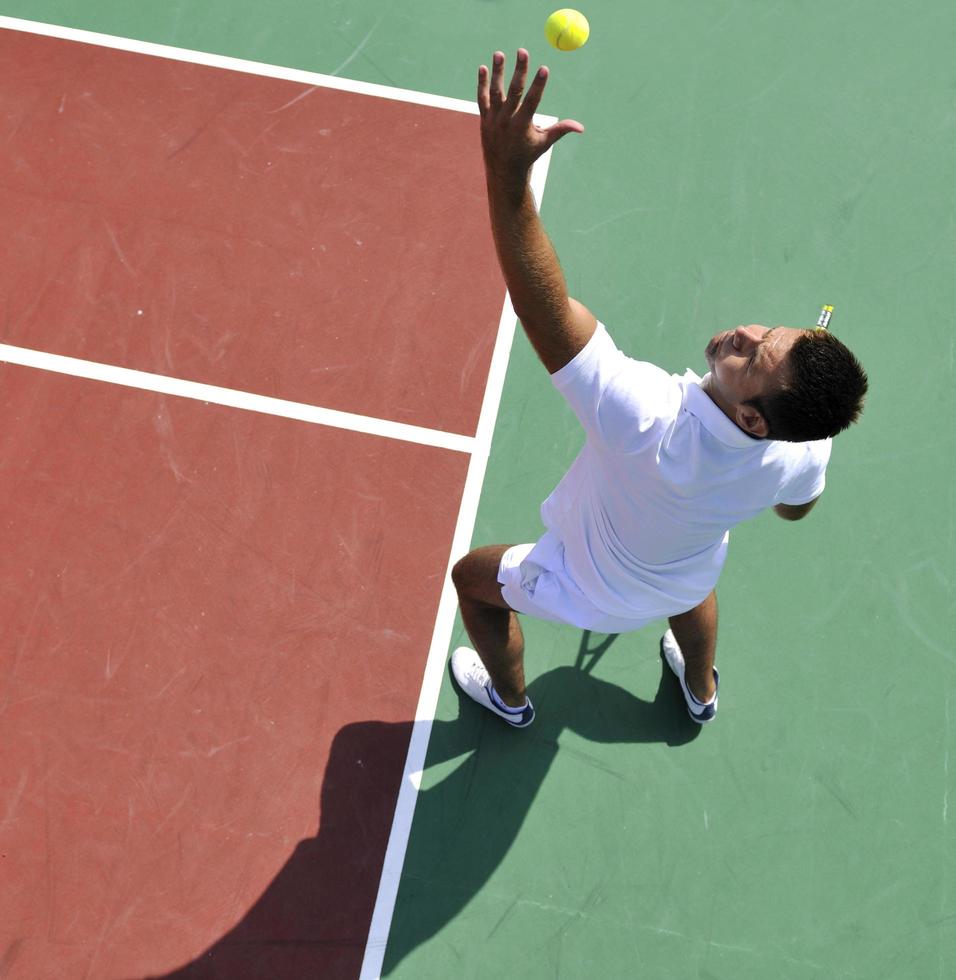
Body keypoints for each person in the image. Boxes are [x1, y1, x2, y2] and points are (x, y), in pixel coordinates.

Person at [450, 49, 868, 727]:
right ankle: (700, 693)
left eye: (754, 355)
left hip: (587, 587)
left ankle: (511, 700)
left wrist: (506, 175)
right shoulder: (806, 447)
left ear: (757, 418)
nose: (742, 331)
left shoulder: (644, 418)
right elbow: (795, 510)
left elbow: (543, 306)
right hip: (684, 570)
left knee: (473, 579)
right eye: (768, 330)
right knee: (693, 594)